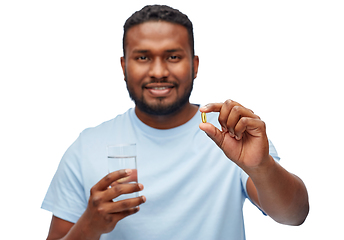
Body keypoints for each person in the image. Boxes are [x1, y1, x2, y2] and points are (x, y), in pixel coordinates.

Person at [42, 5, 309, 240]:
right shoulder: (87, 146)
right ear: (124, 66)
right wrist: (89, 226)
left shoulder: (230, 133)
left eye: (173, 57)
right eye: (143, 57)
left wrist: (261, 167)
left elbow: (294, 215)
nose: (158, 72)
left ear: (194, 65)